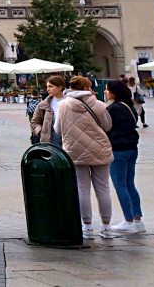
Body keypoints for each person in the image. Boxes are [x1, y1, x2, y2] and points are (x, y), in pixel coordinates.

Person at [56, 76, 118, 239]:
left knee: (82, 188)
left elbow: (57, 130)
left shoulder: (62, 105)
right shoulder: (98, 104)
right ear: (86, 89)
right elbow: (107, 126)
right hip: (99, 149)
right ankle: (106, 227)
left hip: (75, 151)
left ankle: (87, 227)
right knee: (103, 188)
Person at [104, 80, 144, 234]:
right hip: (132, 147)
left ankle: (128, 221)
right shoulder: (130, 107)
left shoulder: (114, 108)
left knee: (120, 184)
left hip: (118, 149)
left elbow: (106, 127)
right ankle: (137, 219)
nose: (106, 92)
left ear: (115, 91)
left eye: (108, 90)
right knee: (129, 184)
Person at [31, 76, 67, 147]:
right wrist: (41, 132)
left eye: (51, 86)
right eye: (47, 87)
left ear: (60, 87)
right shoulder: (43, 105)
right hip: (50, 140)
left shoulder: (71, 102)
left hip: (68, 139)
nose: (48, 89)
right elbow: (34, 122)